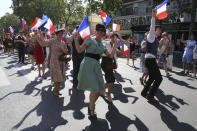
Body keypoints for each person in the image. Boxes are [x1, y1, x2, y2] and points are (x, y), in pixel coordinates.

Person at [73, 24, 118, 119]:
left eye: (103, 31)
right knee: (94, 88)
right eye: (99, 30)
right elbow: (79, 50)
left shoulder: (103, 45)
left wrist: (115, 45)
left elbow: (110, 56)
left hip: (97, 66)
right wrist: (76, 39)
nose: (101, 32)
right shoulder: (89, 39)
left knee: (100, 89)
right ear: (96, 31)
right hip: (87, 65)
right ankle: (92, 109)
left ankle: (91, 104)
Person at [37, 29, 68, 96]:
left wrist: (61, 47)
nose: (60, 35)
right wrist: (40, 35)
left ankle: (56, 90)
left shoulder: (63, 43)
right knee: (57, 77)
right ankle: (55, 90)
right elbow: (44, 43)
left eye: (61, 34)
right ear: (56, 35)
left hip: (61, 62)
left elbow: (66, 51)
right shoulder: (53, 40)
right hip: (54, 61)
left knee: (60, 78)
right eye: (59, 34)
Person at [141, 8, 163, 102]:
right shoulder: (151, 36)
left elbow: (158, 52)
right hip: (150, 61)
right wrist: (153, 16)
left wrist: (164, 45)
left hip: (151, 60)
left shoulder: (156, 41)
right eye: (158, 30)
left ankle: (144, 92)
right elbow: (152, 26)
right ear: (154, 30)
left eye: (160, 30)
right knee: (159, 79)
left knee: (152, 78)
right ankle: (150, 96)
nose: (160, 31)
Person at [102, 33, 124, 103]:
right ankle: (108, 94)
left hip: (110, 64)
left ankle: (102, 89)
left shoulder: (115, 45)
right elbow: (110, 55)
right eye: (114, 38)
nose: (115, 40)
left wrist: (122, 44)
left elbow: (121, 53)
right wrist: (115, 45)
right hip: (105, 62)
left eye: (116, 38)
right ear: (110, 38)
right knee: (111, 80)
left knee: (110, 80)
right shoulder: (105, 43)